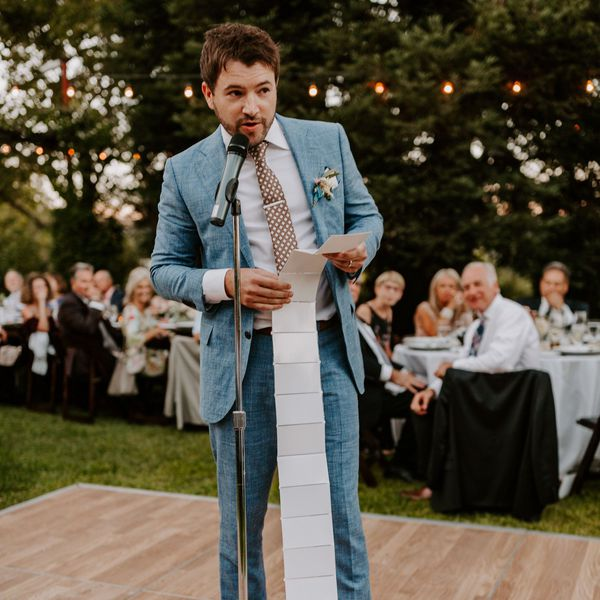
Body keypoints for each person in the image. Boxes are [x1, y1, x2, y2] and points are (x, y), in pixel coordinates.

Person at [150, 23, 383, 600]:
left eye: (263, 90)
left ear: (277, 85)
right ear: (208, 93)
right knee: (243, 524)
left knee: (339, 515)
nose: (252, 107)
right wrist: (226, 282)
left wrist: (358, 252)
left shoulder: (327, 139)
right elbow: (164, 269)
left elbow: (368, 217)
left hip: (327, 349)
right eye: (235, 93)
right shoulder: (187, 171)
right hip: (244, 365)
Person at [350, 280, 426, 487]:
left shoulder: (358, 321)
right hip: (366, 396)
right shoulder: (340, 323)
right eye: (347, 284)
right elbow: (360, 362)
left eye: (355, 284)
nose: (353, 288)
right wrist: (393, 376)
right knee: (420, 402)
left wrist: (403, 371)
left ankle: (416, 461)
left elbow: (379, 356)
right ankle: (402, 463)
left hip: (379, 387)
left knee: (425, 393)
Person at [57, 262, 118, 383]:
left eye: (91, 281)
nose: (89, 285)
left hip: (100, 348)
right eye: (84, 281)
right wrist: (95, 303)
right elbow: (88, 328)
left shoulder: (87, 300)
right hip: (83, 354)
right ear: (73, 282)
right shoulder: (69, 303)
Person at [122, 267, 171, 378]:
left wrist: (161, 329)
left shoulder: (148, 310)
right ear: (132, 289)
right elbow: (132, 340)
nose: (145, 291)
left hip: (154, 365)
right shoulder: (131, 311)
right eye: (140, 287)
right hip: (138, 368)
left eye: (147, 287)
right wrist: (155, 331)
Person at [21, 273, 62, 405]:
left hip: (53, 347)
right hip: (33, 352)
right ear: (31, 290)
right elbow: (43, 327)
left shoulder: (51, 308)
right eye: (37, 287)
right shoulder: (27, 309)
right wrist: (42, 302)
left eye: (43, 286)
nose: (41, 289)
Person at [519, 261, 589, 327]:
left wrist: (561, 307)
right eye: (547, 283)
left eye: (557, 284)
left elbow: (579, 330)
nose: (551, 288)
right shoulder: (522, 305)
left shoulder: (580, 308)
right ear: (541, 283)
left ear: (565, 287)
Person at [356, 271, 405, 358]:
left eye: (396, 289)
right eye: (388, 287)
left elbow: (386, 345)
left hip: (383, 360)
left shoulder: (389, 311)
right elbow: (362, 350)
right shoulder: (365, 310)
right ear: (377, 288)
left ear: (401, 294)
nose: (391, 292)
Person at [413, 268, 471, 336]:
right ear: (435, 290)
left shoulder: (461, 309)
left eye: (451, 286)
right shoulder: (424, 308)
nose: (447, 290)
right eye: (442, 286)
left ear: (457, 290)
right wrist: (450, 307)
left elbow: (469, 332)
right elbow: (438, 334)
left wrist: (466, 308)